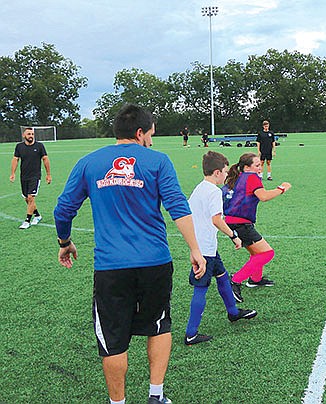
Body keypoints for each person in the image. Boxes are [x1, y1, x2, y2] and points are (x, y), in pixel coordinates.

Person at [54, 104, 206, 404]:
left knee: (113, 340)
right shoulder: (158, 161)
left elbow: (63, 209)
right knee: (159, 324)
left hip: (111, 267)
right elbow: (177, 206)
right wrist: (195, 249)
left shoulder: (89, 162)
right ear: (140, 132)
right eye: (151, 134)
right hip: (155, 262)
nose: (152, 139)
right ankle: (156, 396)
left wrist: (65, 241)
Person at [185, 151, 257, 346]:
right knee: (201, 288)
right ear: (217, 172)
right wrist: (234, 236)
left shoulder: (199, 188)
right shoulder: (214, 192)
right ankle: (191, 333)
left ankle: (233, 312)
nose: (226, 175)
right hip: (205, 249)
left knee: (222, 275)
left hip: (204, 246)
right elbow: (217, 219)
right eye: (225, 171)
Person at [222, 152, 291, 302]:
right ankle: (234, 280)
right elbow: (263, 196)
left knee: (256, 252)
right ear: (247, 167)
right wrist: (282, 188)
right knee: (267, 253)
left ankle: (255, 279)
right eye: (257, 165)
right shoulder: (251, 177)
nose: (260, 168)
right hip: (241, 223)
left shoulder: (237, 176)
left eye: (260, 165)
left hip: (231, 221)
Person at [10, 127, 52, 229]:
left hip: (35, 176)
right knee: (26, 198)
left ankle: (27, 221)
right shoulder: (19, 147)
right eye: (28, 134)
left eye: (32, 134)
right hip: (24, 176)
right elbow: (15, 160)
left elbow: (45, 159)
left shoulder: (39, 146)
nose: (31, 136)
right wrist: (12, 173)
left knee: (31, 197)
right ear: (24, 136)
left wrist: (48, 174)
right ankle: (37, 215)